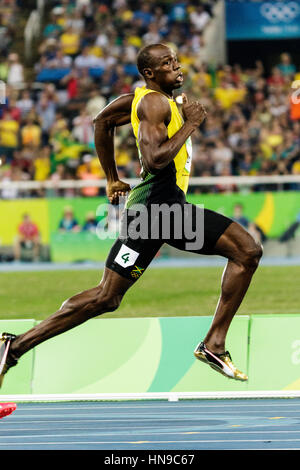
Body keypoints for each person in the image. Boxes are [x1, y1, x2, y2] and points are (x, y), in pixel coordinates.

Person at [0, 43, 263, 387]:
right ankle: (213, 343)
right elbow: (155, 159)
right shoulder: (154, 102)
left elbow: (102, 121)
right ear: (150, 74)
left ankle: (14, 347)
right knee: (246, 251)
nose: (178, 68)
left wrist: (111, 178)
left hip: (158, 209)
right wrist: (191, 124)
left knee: (106, 296)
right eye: (168, 64)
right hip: (159, 209)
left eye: (176, 61)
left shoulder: (142, 100)